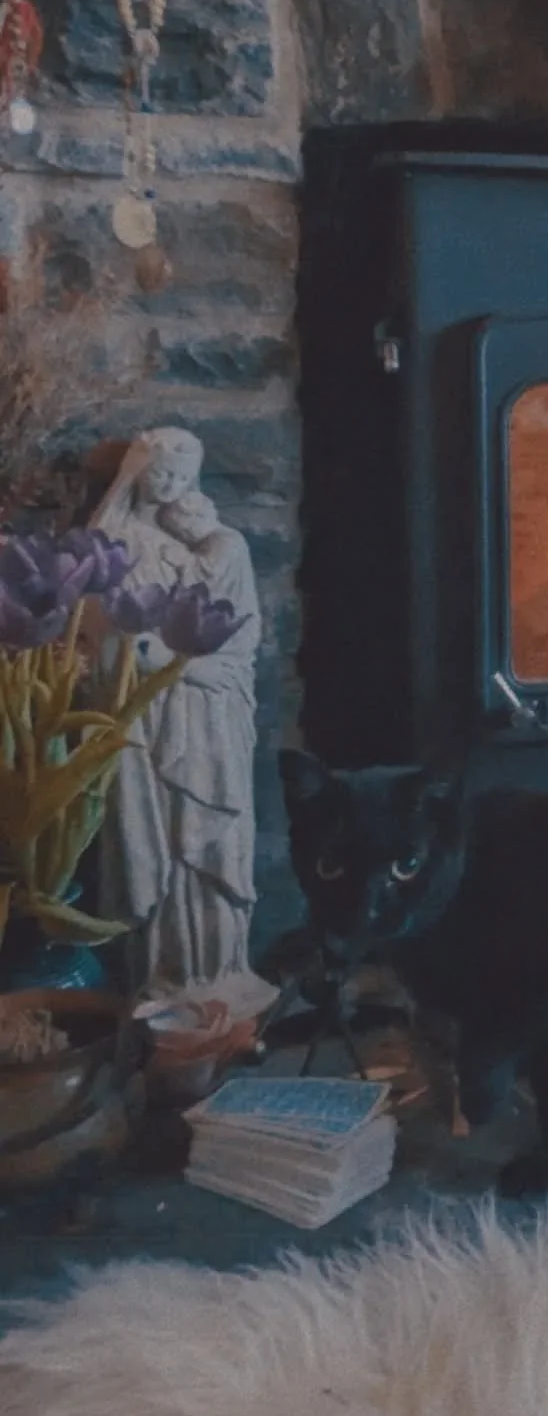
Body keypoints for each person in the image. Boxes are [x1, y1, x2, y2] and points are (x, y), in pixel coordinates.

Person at [90, 431, 273, 1019]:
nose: (171, 488)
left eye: (183, 478)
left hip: (207, 713)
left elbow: (239, 633)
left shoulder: (220, 547)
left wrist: (187, 666)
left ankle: (223, 966)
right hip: (150, 714)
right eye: (160, 473)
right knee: (162, 841)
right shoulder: (119, 539)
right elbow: (106, 621)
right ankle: (168, 973)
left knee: (214, 837)